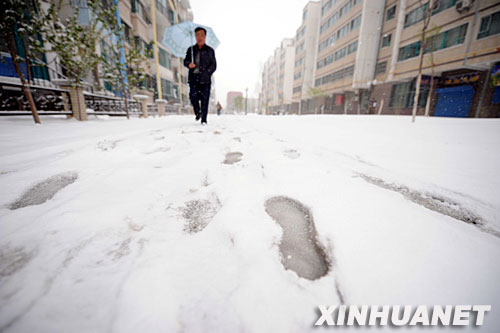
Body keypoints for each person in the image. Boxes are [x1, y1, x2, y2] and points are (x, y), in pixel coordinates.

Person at [183, 27, 217, 125]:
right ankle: (198, 112)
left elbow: (213, 65)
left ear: (205, 36)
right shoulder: (191, 50)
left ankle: (204, 120)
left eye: (202, 35)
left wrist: (207, 72)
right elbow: (185, 61)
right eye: (198, 35)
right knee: (193, 97)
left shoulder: (210, 50)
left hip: (205, 80)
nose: (200, 37)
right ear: (195, 36)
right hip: (194, 78)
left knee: (204, 100)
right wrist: (189, 64)